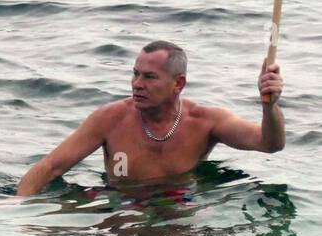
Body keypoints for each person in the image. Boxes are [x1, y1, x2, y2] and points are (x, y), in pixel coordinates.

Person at [16, 41, 284, 196]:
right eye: (135, 74)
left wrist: (269, 107)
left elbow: (269, 144)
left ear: (178, 83)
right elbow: (51, 167)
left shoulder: (205, 121)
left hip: (178, 205)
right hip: (121, 203)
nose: (137, 84)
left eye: (149, 77)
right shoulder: (110, 118)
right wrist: (14, 209)